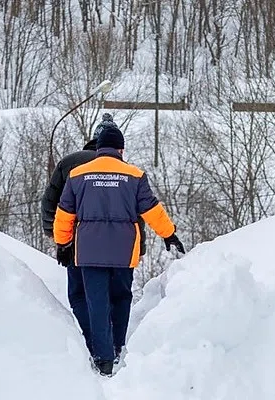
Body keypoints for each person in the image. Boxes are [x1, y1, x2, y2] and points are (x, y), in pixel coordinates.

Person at [53, 125, 185, 376]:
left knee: (96, 302)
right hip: (124, 252)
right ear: (121, 149)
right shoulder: (134, 175)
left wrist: (63, 243)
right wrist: (169, 234)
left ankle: (102, 357)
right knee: (122, 297)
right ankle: (117, 346)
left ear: (99, 148)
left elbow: (64, 214)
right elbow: (152, 210)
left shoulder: (78, 174)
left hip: (89, 251)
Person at [40, 113, 147, 359]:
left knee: (81, 295)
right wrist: (138, 245)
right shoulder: (126, 170)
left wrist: (58, 239)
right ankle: (114, 345)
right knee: (118, 295)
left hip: (77, 244)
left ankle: (95, 344)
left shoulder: (69, 163)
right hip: (120, 247)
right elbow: (137, 213)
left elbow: (51, 203)